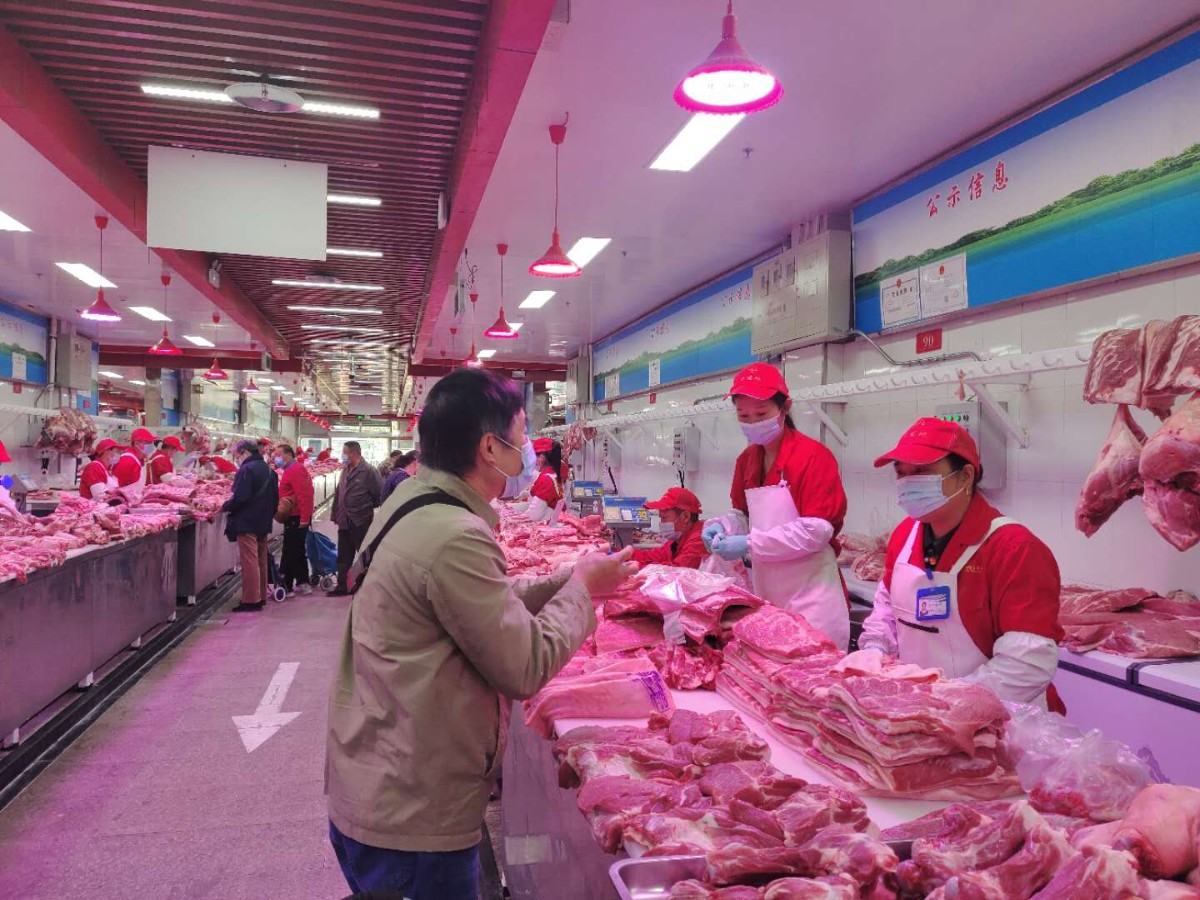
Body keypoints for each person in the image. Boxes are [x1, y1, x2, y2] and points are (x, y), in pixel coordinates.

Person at [325, 368, 636, 899]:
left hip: (384, 776)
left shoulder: (417, 502)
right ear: (491, 448)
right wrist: (582, 591)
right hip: (414, 813)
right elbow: (525, 665)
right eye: (521, 437)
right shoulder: (453, 535)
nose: (528, 451)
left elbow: (475, 600)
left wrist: (567, 577)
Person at [855, 418, 1065, 711]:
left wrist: (951, 704)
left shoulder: (1015, 548)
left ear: (965, 476)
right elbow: (887, 608)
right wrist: (875, 652)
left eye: (921, 471)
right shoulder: (905, 534)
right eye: (901, 473)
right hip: (920, 712)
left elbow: (1026, 663)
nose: (907, 483)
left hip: (1003, 721)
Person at [702, 363, 850, 650]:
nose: (752, 422)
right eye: (743, 416)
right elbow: (745, 515)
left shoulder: (812, 456)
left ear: (785, 408)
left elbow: (817, 531)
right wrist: (723, 526)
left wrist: (748, 543)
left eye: (761, 414)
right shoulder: (747, 460)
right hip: (768, 595)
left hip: (812, 598)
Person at [222, 439, 279, 613]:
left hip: (247, 521)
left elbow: (240, 498)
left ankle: (251, 600)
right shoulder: (270, 472)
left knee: (249, 562)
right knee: (261, 560)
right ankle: (260, 596)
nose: (237, 458)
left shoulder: (246, 470)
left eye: (237, 455)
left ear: (245, 453)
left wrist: (225, 506)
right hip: (263, 521)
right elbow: (275, 499)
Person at [328, 440, 383, 596]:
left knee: (365, 555)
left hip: (360, 521)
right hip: (344, 521)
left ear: (354, 453)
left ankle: (369, 586)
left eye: (344, 453)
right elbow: (339, 493)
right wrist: (335, 514)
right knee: (343, 555)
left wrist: (363, 510)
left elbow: (379, 495)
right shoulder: (345, 470)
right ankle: (342, 586)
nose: (342, 456)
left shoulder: (369, 471)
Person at [631, 487, 708, 569]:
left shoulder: (700, 541)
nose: (662, 523)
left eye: (664, 518)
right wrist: (620, 555)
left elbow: (676, 571)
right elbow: (651, 556)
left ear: (686, 516)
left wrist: (631, 568)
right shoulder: (676, 542)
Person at [275, 444, 315, 596]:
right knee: (296, 549)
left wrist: (305, 518)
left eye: (277, 455)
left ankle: (286, 584)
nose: (275, 458)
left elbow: (304, 494)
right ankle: (302, 582)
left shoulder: (295, 470)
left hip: (296, 516)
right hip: (294, 515)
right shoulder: (291, 469)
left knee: (290, 550)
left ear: (287, 455)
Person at [526, 437, 564, 522]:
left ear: (542, 457)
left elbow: (534, 515)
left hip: (544, 527)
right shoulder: (554, 474)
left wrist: (514, 518)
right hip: (551, 524)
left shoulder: (546, 479)